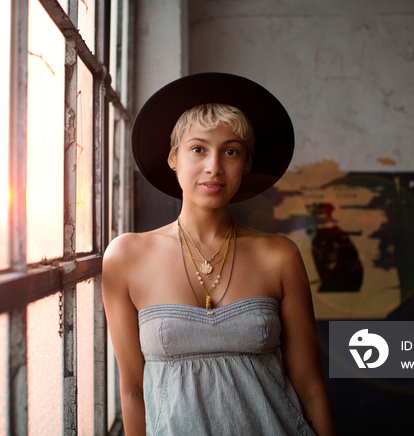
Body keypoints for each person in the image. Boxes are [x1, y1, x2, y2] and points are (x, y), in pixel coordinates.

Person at [102, 73, 337, 435]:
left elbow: (310, 384)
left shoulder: (279, 256)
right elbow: (133, 391)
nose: (214, 166)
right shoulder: (126, 256)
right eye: (198, 149)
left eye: (230, 151)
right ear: (173, 158)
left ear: (245, 164)